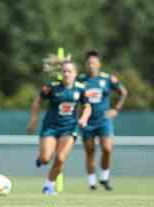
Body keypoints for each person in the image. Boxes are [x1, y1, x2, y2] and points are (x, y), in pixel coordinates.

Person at [26, 61, 91, 195]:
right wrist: (33, 120)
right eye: (64, 71)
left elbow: (88, 107)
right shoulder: (52, 87)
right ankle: (41, 158)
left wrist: (84, 118)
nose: (66, 74)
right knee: (45, 159)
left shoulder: (81, 88)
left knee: (61, 158)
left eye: (69, 71)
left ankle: (48, 186)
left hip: (69, 128)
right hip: (50, 127)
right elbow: (38, 101)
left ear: (75, 73)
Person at [78, 50, 127, 191]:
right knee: (90, 151)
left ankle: (104, 178)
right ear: (85, 65)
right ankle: (92, 182)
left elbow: (123, 92)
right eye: (88, 63)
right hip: (87, 121)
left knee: (107, 148)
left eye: (93, 62)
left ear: (99, 64)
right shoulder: (81, 80)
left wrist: (116, 109)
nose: (91, 65)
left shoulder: (107, 79)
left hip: (103, 120)